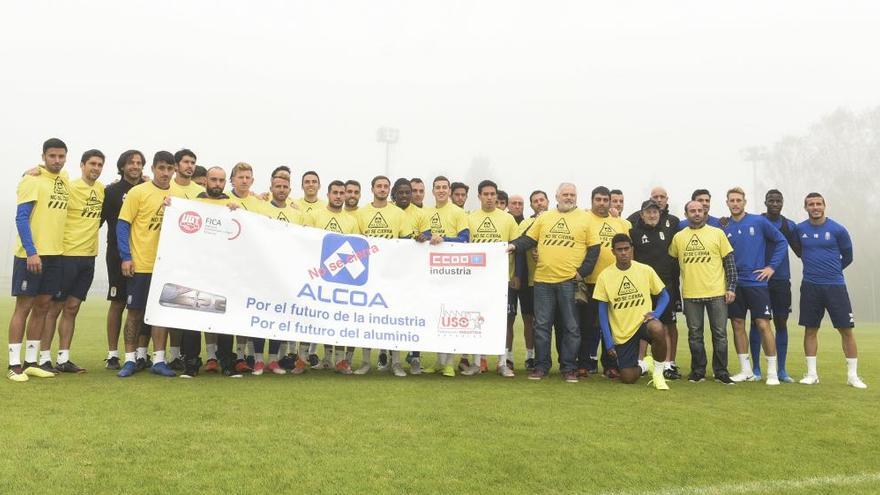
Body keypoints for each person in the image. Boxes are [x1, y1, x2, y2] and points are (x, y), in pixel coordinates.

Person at [509, 183, 598, 382]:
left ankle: (568, 368)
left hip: (570, 282)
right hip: (542, 281)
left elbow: (594, 250)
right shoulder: (545, 217)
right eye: (565, 194)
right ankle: (541, 366)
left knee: (571, 327)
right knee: (541, 326)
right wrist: (513, 245)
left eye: (572, 194)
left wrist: (581, 273)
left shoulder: (586, 218)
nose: (569, 197)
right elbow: (528, 239)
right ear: (556, 196)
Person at [38, 149, 106, 373]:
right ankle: (44, 358)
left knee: (72, 308)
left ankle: (64, 358)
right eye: (92, 164)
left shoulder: (101, 189)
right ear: (82, 165)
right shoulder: (69, 185)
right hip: (66, 255)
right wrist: (33, 171)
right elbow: (49, 176)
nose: (96, 168)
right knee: (54, 308)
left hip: (89, 257)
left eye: (99, 165)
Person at [7, 138, 69, 382]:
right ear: (43, 156)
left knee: (43, 306)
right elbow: (21, 218)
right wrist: (32, 251)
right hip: (30, 255)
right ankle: (13, 364)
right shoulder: (31, 179)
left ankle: (31, 361)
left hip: (56, 254)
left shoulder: (64, 180)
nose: (56, 160)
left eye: (61, 156)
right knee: (23, 307)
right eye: (52, 156)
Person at [115, 151, 178, 378]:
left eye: (169, 168)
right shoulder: (138, 192)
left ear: (174, 170)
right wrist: (126, 257)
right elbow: (122, 225)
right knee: (134, 313)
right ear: (152, 169)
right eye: (161, 168)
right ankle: (130, 360)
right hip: (141, 264)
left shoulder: (179, 196)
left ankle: (159, 360)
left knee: (161, 314)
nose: (165, 173)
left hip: (166, 268)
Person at [794, 193, 866, 388]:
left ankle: (852, 376)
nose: (815, 207)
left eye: (818, 204)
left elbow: (848, 256)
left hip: (835, 286)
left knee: (846, 330)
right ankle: (811, 374)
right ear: (805, 207)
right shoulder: (800, 229)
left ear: (825, 206)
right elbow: (799, 250)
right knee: (810, 329)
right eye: (811, 204)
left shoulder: (838, 230)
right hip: (810, 286)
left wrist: (832, 270)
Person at [721, 188, 787, 385]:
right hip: (734, 284)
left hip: (756, 283)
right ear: (727, 203)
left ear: (744, 202)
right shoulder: (723, 227)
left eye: (738, 200)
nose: (735, 203)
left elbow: (781, 241)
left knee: (763, 324)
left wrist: (771, 267)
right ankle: (746, 370)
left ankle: (773, 373)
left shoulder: (758, 222)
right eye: (732, 200)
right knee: (737, 325)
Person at [296, 180, 361, 375]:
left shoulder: (351, 220)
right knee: (310, 317)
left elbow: (356, 251)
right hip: (316, 276)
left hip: (341, 278)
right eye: (335, 193)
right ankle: (301, 360)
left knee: (339, 319)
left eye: (342, 193)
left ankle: (340, 361)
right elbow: (305, 243)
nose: (339, 196)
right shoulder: (314, 215)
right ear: (328, 194)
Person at [668, 200, 736, 384]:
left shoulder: (717, 234)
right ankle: (698, 370)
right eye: (692, 211)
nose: (697, 213)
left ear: (705, 212)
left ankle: (721, 371)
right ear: (686, 213)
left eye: (700, 210)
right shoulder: (679, 237)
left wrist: (731, 288)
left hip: (717, 293)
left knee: (720, 334)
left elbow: (729, 263)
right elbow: (673, 267)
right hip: (691, 294)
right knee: (695, 335)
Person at [460, 180, 522, 377]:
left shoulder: (507, 219)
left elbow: (517, 246)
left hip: (502, 280)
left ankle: (502, 362)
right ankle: (477, 362)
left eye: (492, 194)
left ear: (497, 196)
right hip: (477, 280)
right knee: (478, 320)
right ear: (479, 196)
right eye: (485, 194)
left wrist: (516, 275)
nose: (489, 197)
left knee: (502, 321)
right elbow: (465, 247)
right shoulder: (470, 218)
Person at [594, 234, 671, 390]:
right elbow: (602, 313)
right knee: (628, 377)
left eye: (626, 249)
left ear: (632, 249)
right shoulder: (604, 276)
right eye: (619, 250)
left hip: (643, 323)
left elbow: (664, 296)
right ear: (613, 252)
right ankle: (645, 365)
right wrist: (609, 342)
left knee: (657, 328)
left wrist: (656, 314)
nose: (623, 253)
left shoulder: (645, 270)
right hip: (623, 332)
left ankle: (658, 374)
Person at [353, 176, 411, 377]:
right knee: (368, 318)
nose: (382, 189)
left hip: (392, 274)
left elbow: (405, 242)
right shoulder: (361, 213)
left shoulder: (397, 213)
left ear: (389, 190)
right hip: (369, 274)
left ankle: (396, 363)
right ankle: (366, 362)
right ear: (372, 189)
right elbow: (356, 242)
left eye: (386, 186)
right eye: (379, 186)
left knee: (393, 318)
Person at [250, 172, 303, 376]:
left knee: (278, 315)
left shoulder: (297, 214)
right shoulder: (260, 209)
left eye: (285, 187)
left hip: (285, 273)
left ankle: (273, 360)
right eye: (277, 186)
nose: (281, 190)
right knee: (260, 314)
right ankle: (257, 360)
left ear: (289, 190)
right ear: (271, 189)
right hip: (263, 271)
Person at [192, 166, 243, 377]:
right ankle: (192, 362)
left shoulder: (231, 205)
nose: (217, 184)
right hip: (199, 269)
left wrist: (238, 211)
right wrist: (171, 205)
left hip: (224, 271)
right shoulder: (195, 203)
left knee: (224, 316)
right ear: (205, 181)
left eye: (221, 180)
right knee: (195, 316)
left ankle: (226, 362)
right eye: (213, 179)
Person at [101, 150, 149, 370]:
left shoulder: (148, 190)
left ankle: (140, 354)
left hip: (144, 256)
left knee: (141, 306)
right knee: (118, 303)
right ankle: (112, 354)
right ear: (122, 166)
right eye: (131, 163)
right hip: (118, 256)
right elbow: (96, 221)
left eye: (139, 163)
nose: (135, 166)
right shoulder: (110, 192)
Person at [748, 189, 800, 382]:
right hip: (759, 280)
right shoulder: (756, 222)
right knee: (757, 322)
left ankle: (782, 370)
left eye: (778, 200)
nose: (775, 203)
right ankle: (755, 369)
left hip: (781, 281)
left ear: (783, 202)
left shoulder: (789, 226)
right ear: (765, 202)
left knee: (780, 323)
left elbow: (800, 250)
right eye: (771, 200)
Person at [580, 186, 630, 378]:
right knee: (588, 325)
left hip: (615, 282)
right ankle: (585, 363)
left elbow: (628, 249)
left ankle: (611, 365)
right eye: (598, 199)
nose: (602, 203)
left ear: (610, 201)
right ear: (592, 200)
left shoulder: (619, 223)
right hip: (591, 281)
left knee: (612, 326)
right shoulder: (584, 219)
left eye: (605, 199)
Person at [629, 200, 681, 379]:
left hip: (665, 285)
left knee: (668, 325)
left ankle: (668, 364)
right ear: (641, 214)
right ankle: (641, 362)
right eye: (648, 212)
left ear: (660, 213)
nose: (652, 215)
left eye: (655, 212)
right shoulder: (634, 233)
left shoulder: (668, 230)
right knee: (643, 324)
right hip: (643, 287)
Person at [423, 176, 469, 376]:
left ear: (449, 191)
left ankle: (450, 362)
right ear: (432, 191)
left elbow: (465, 240)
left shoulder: (459, 213)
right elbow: (424, 237)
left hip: (453, 271)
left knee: (450, 317)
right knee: (435, 316)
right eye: (437, 188)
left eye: (444, 187)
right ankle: (439, 361)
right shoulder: (426, 213)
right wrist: (423, 238)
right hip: (432, 272)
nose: (441, 190)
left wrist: (444, 239)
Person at [166, 149, 205, 370]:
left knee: (192, 307)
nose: (190, 166)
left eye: (193, 162)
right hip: (169, 258)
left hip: (195, 262)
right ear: (176, 165)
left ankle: (192, 357)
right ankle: (169, 355)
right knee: (170, 308)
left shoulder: (201, 191)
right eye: (186, 162)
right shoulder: (166, 188)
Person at [392, 178, 432, 374]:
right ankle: (394, 359)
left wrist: (423, 239)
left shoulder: (421, 214)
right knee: (394, 316)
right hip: (393, 272)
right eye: (402, 192)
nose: (406, 195)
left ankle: (415, 356)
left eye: (409, 192)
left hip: (416, 273)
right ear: (395, 194)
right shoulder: (389, 212)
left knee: (416, 314)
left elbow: (428, 236)